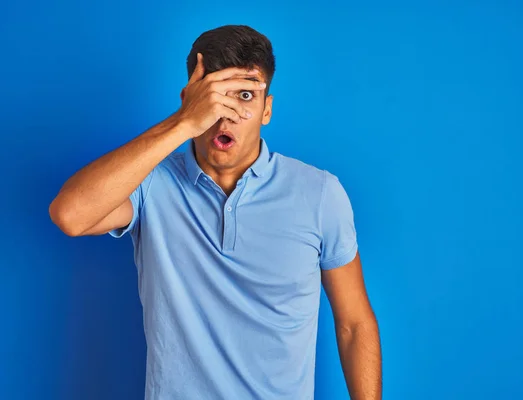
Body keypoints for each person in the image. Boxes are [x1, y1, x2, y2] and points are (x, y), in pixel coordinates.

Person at [49, 24, 381, 400]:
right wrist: (182, 122)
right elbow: (70, 215)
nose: (228, 115)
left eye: (244, 96)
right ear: (191, 100)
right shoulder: (149, 184)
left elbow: (354, 324)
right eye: (215, 97)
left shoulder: (320, 193)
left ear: (266, 109)